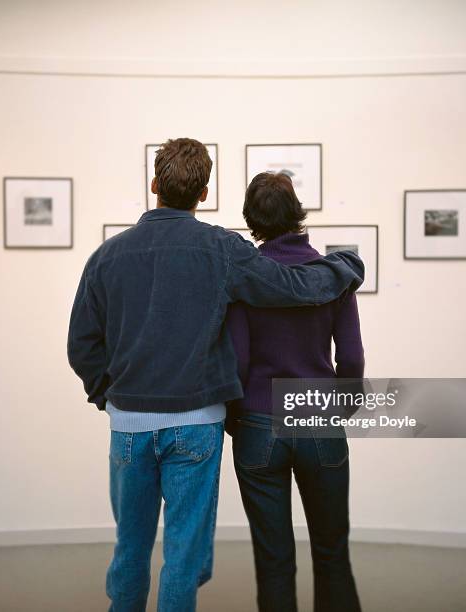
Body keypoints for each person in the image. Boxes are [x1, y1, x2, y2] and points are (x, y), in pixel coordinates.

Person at [67, 139, 364, 612]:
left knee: (131, 548)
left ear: (154, 185)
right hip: (202, 423)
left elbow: (82, 345)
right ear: (204, 193)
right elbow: (295, 289)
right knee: (185, 555)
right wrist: (346, 266)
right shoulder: (223, 251)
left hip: (136, 426)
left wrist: (112, 395)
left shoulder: (106, 256)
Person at [227, 172, 364, 612]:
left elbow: (238, 361)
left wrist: (238, 419)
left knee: (273, 562)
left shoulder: (246, 279)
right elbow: (353, 357)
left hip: (258, 425)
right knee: (332, 554)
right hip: (317, 417)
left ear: (252, 219)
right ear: (298, 213)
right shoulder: (334, 276)